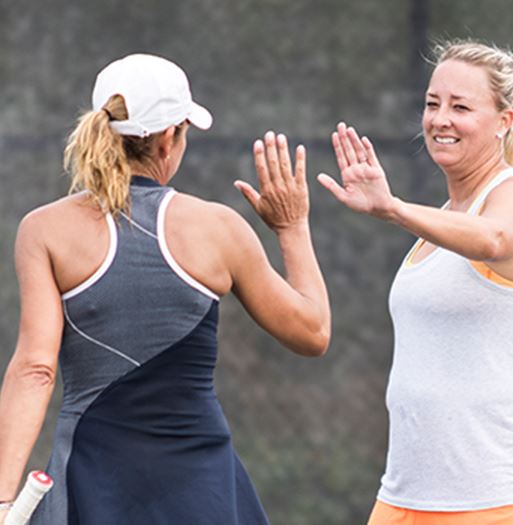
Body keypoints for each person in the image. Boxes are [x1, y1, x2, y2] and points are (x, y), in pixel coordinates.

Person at [0, 53, 330, 525]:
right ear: (169, 139)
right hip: (203, 487)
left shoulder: (44, 230)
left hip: (91, 484)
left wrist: (2, 499)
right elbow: (313, 332)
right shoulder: (219, 228)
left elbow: (35, 369)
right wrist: (293, 227)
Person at [318, 40, 513, 525]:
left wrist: (393, 208)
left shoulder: (503, 198)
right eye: (432, 104)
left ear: (504, 123)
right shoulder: (443, 217)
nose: (440, 119)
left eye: (461, 107)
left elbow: (493, 238)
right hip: (403, 497)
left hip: (489, 500)